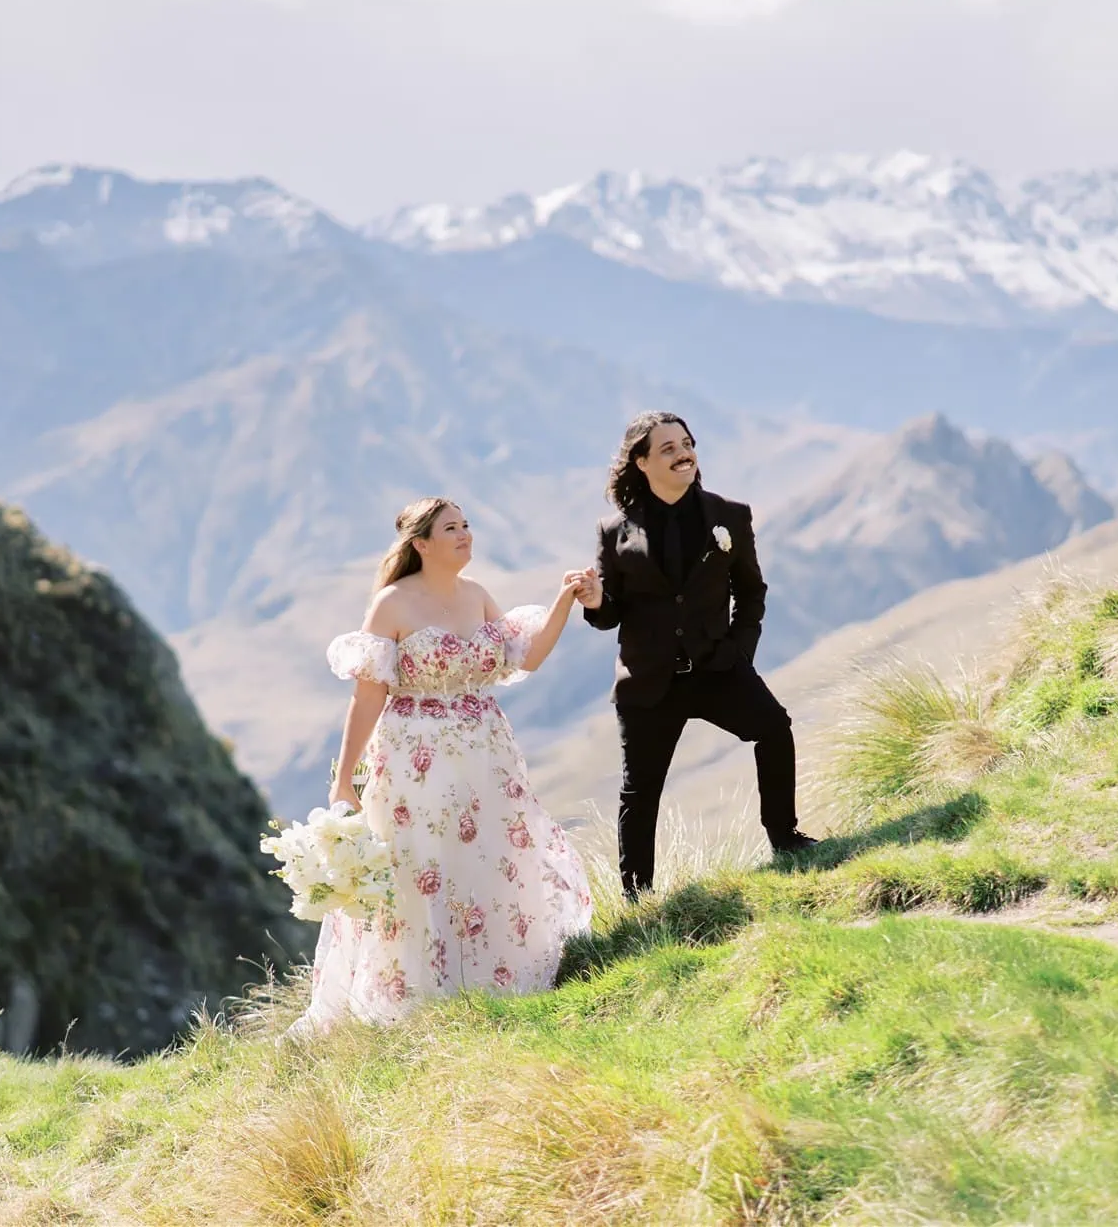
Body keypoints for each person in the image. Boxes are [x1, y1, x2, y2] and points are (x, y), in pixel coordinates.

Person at [289, 497, 595, 1033]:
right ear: (422, 544)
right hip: (414, 761)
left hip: (487, 755)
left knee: (490, 856)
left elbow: (529, 655)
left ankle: (495, 981)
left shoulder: (477, 595)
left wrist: (565, 599)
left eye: (467, 525)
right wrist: (345, 779)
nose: (465, 535)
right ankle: (422, 992)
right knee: (424, 867)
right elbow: (367, 698)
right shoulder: (391, 604)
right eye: (451, 528)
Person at [576, 412, 817, 900]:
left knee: (774, 728)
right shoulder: (613, 531)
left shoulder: (730, 515)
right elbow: (610, 616)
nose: (683, 453)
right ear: (641, 462)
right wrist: (596, 602)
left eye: (686, 444)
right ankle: (637, 897)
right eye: (667, 448)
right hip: (649, 679)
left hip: (717, 667)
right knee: (639, 793)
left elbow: (751, 592)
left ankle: (786, 840)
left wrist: (740, 651)